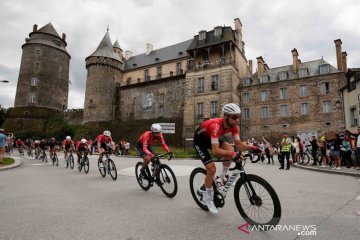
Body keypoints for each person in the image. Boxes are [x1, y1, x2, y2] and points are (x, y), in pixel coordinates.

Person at [193, 103, 260, 214]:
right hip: (200, 142)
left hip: (211, 138)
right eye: (234, 117)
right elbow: (215, 151)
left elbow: (238, 144)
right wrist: (233, 155)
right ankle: (209, 199)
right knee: (211, 169)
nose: (237, 120)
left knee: (229, 148)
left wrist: (254, 148)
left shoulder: (233, 126)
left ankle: (221, 178)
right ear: (225, 116)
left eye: (238, 117)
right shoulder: (216, 125)